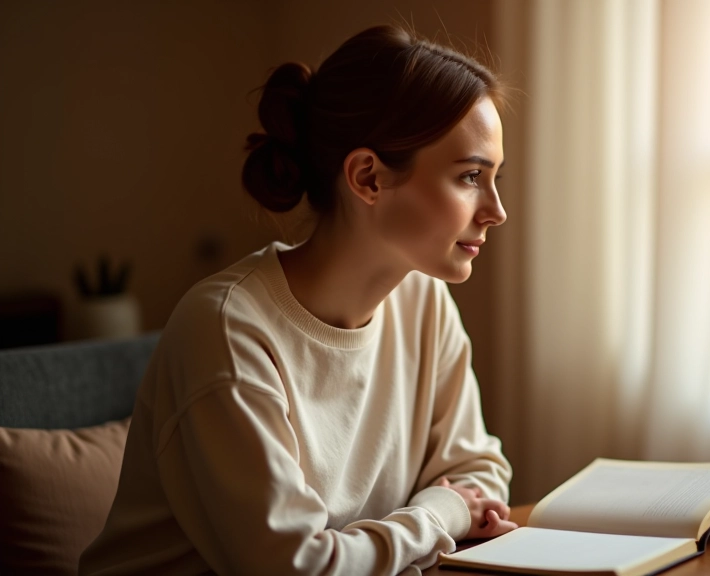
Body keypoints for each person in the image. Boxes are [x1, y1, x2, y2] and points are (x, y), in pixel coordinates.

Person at [79, 24, 516, 575]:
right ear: (367, 177)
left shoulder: (423, 301)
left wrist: (449, 510)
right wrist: (441, 515)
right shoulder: (227, 330)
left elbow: (476, 467)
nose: (496, 210)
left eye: (494, 177)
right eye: (471, 176)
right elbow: (295, 566)